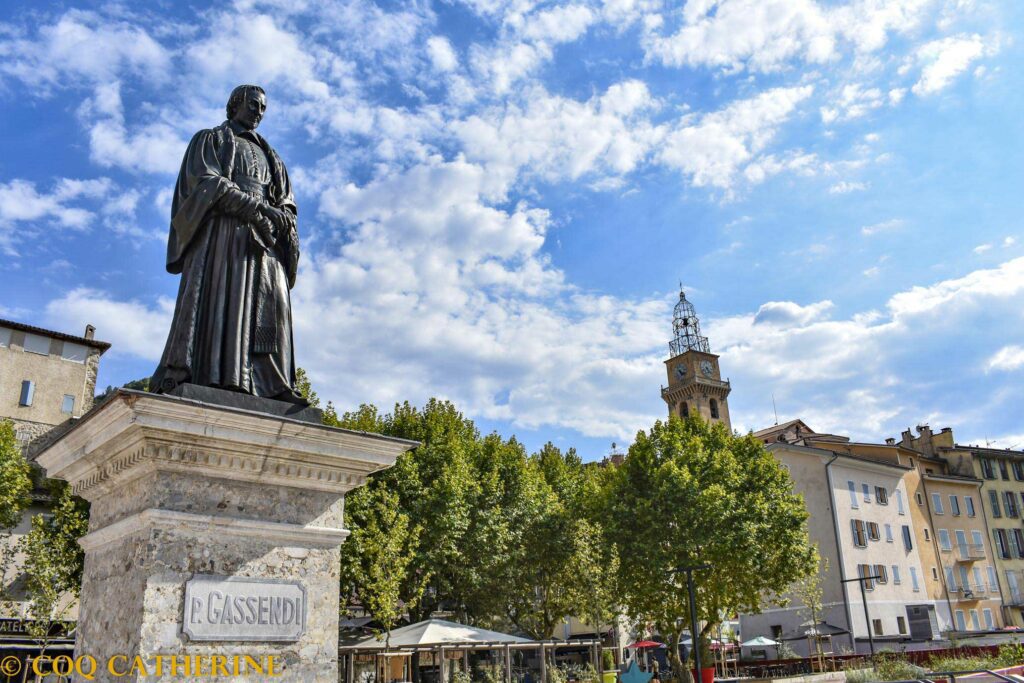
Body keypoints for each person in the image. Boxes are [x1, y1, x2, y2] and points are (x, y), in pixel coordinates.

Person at [152, 84, 307, 404]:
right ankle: (221, 377)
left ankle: (271, 382)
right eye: (253, 104)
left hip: (266, 244)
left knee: (271, 308)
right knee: (226, 302)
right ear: (235, 104)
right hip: (226, 237)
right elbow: (207, 183)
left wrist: (277, 216)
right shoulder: (211, 139)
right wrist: (257, 208)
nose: (258, 112)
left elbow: (288, 205)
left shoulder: (272, 156)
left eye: (263, 107)